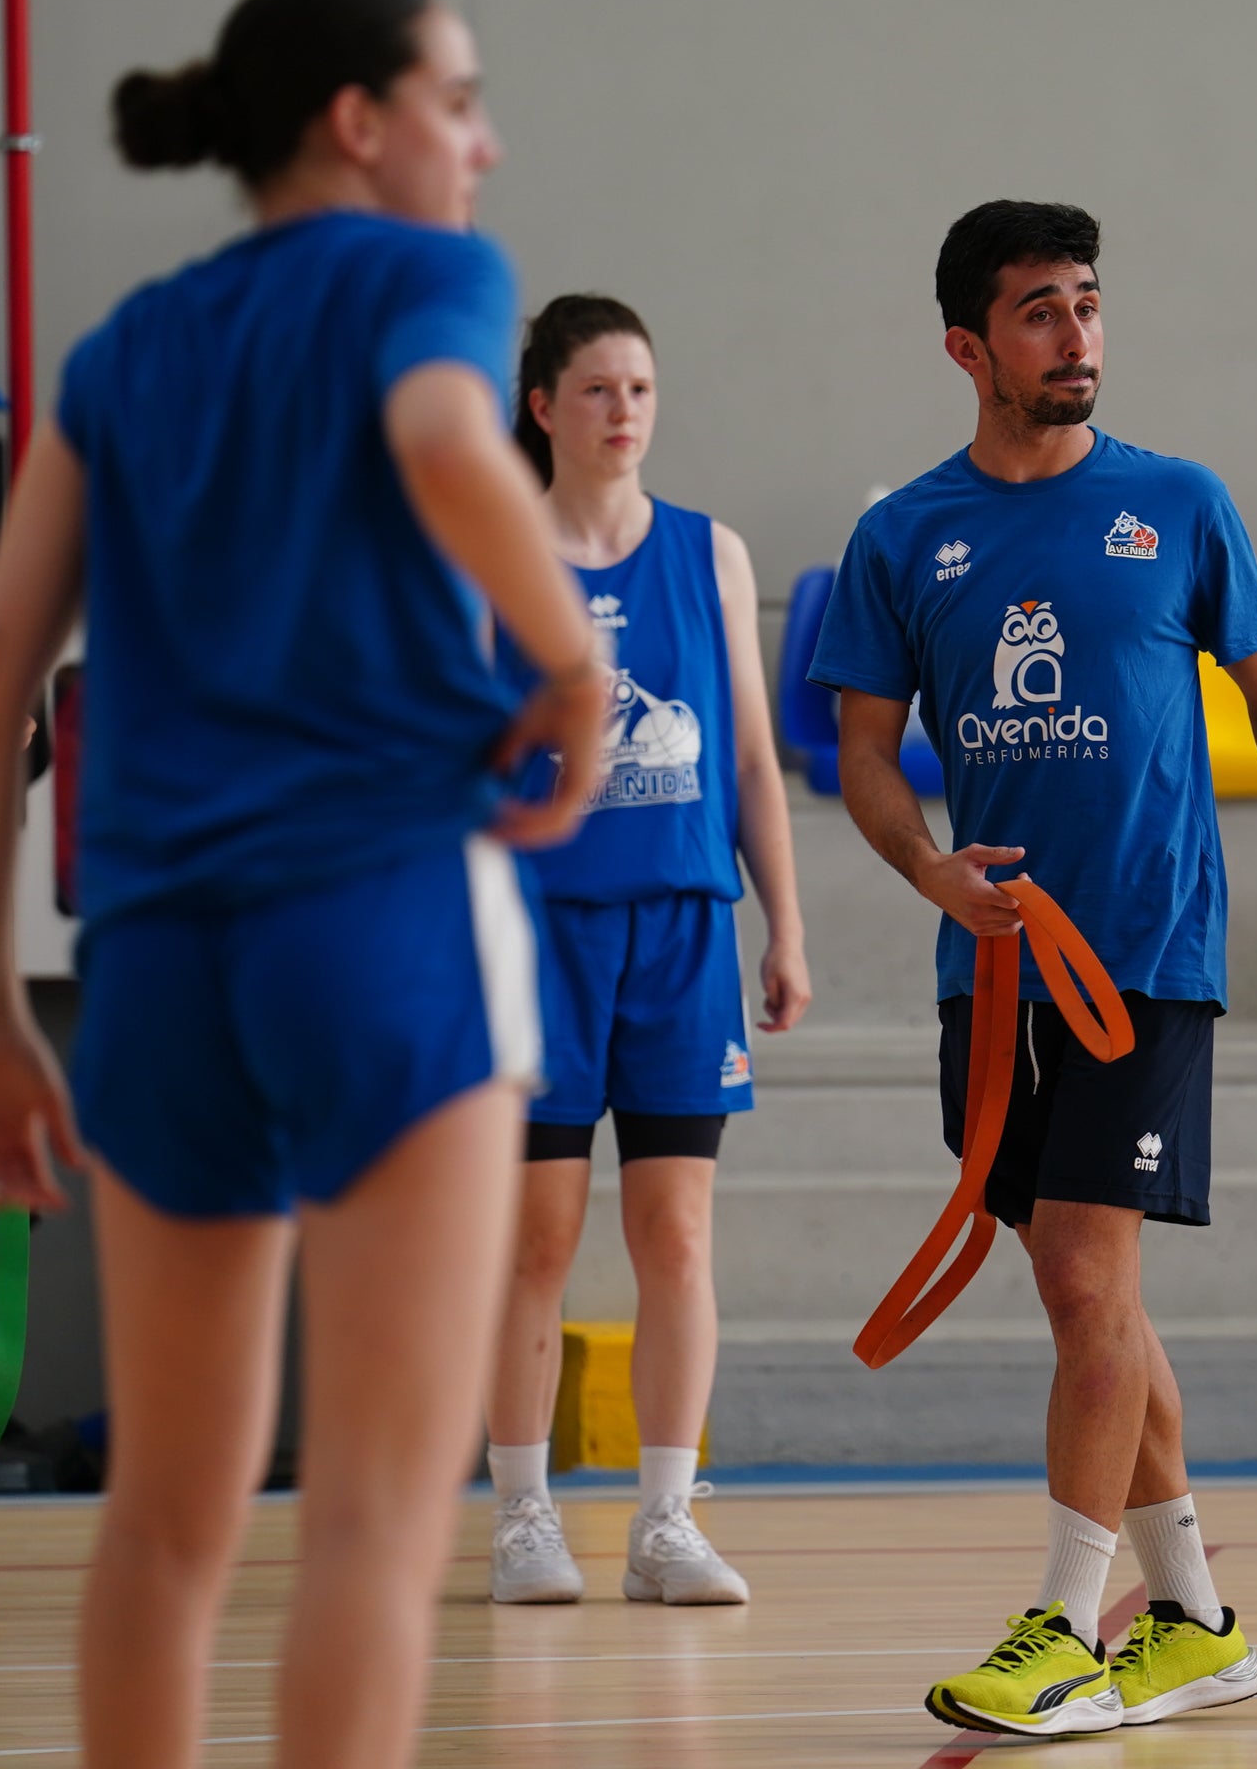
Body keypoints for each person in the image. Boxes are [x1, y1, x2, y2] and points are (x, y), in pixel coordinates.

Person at [0, 0, 610, 1769]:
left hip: (155, 964)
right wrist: (572, 656)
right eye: (460, 99)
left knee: (162, 1522)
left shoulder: (124, 346)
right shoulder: (430, 276)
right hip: (383, 916)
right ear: (359, 121)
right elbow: (447, 440)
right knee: (379, 1523)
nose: (485, 141)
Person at [811, 200, 1257, 1738]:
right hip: (984, 974)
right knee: (1086, 1300)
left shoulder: (1177, 504)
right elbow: (862, 748)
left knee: (1079, 1273)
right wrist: (928, 870)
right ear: (967, 349)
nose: (1079, 339)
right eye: (1042, 313)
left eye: (1091, 306)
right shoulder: (904, 532)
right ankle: (1192, 1621)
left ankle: (1064, 1618)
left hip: (1144, 955)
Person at [479, 293, 810, 1610]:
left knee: (677, 1234)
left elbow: (746, 757)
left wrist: (784, 920)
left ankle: (666, 1518)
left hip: (682, 931)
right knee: (534, 1244)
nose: (624, 412)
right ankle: (521, 1517)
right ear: (544, 407)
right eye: (599, 390)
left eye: (642, 390)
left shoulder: (710, 554)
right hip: (538, 932)